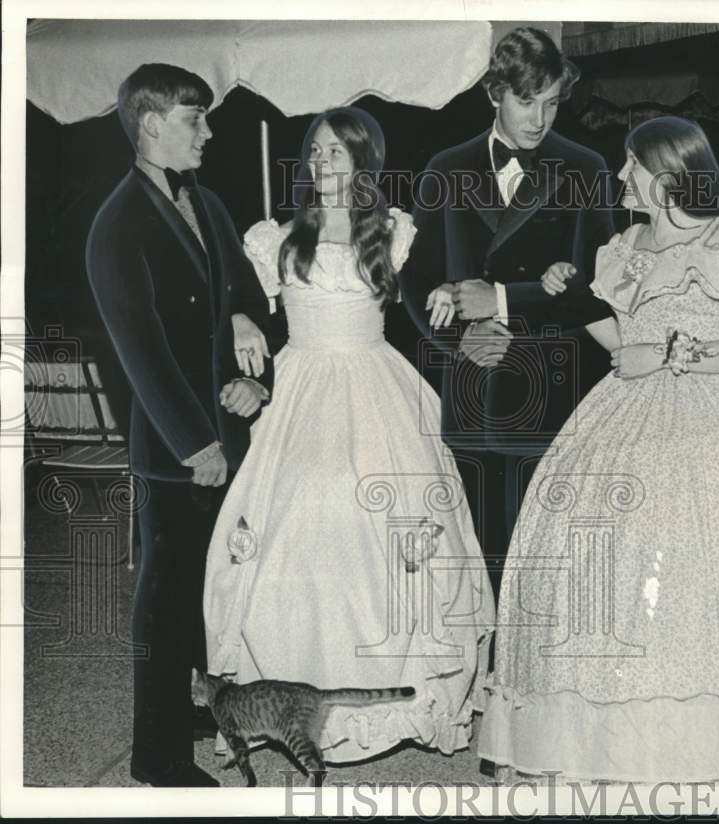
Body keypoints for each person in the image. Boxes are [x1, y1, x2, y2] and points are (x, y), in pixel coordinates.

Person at [478, 116, 719, 785]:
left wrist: (667, 356)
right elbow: (618, 345)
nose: (620, 176)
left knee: (714, 566)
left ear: (664, 174)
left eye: (630, 165)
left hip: (717, 405)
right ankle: (622, 745)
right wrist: (571, 297)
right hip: (624, 415)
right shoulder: (623, 245)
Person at [202, 107, 495, 768]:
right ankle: (281, 692)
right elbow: (228, 300)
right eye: (316, 151)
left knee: (383, 520)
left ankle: (394, 696)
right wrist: (243, 316)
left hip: (375, 387)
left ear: (364, 163)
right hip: (301, 385)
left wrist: (467, 332)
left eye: (338, 152)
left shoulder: (393, 233)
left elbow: (425, 317)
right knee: (292, 522)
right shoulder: (275, 238)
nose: (323, 162)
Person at [86, 63, 274, 787]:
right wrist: (195, 443)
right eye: (195, 119)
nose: (209, 131)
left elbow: (248, 296)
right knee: (163, 605)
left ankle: (194, 708)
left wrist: (252, 364)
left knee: (205, 590)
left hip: (228, 432)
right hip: (176, 451)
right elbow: (141, 351)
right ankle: (157, 758)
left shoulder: (208, 203)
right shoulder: (117, 223)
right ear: (151, 124)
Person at [399, 26, 618, 600]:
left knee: (547, 555)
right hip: (471, 385)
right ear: (495, 92)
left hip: (551, 382)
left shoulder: (585, 167)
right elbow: (413, 279)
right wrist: (456, 344)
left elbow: (597, 290)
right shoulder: (445, 167)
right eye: (527, 100)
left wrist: (503, 303)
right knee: (477, 552)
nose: (540, 119)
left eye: (550, 104)